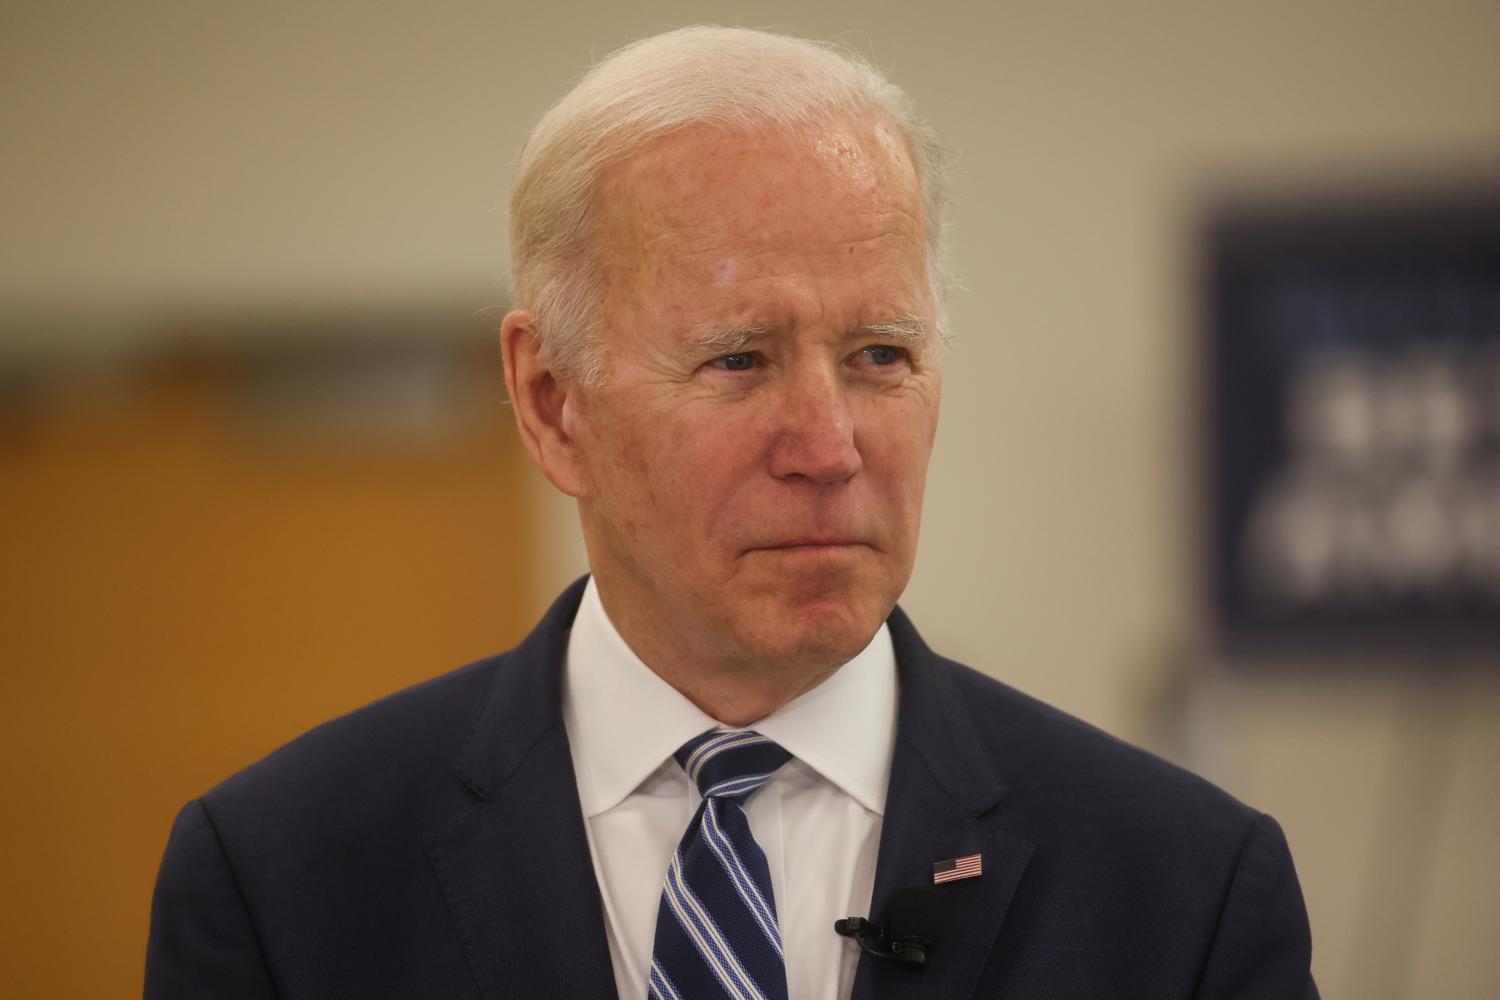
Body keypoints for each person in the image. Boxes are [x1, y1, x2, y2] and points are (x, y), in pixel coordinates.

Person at [145, 25, 1317, 1000]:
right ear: (553, 402)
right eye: (740, 360)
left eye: (880, 353)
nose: (830, 445)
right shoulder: (283, 881)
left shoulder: (1185, 889)